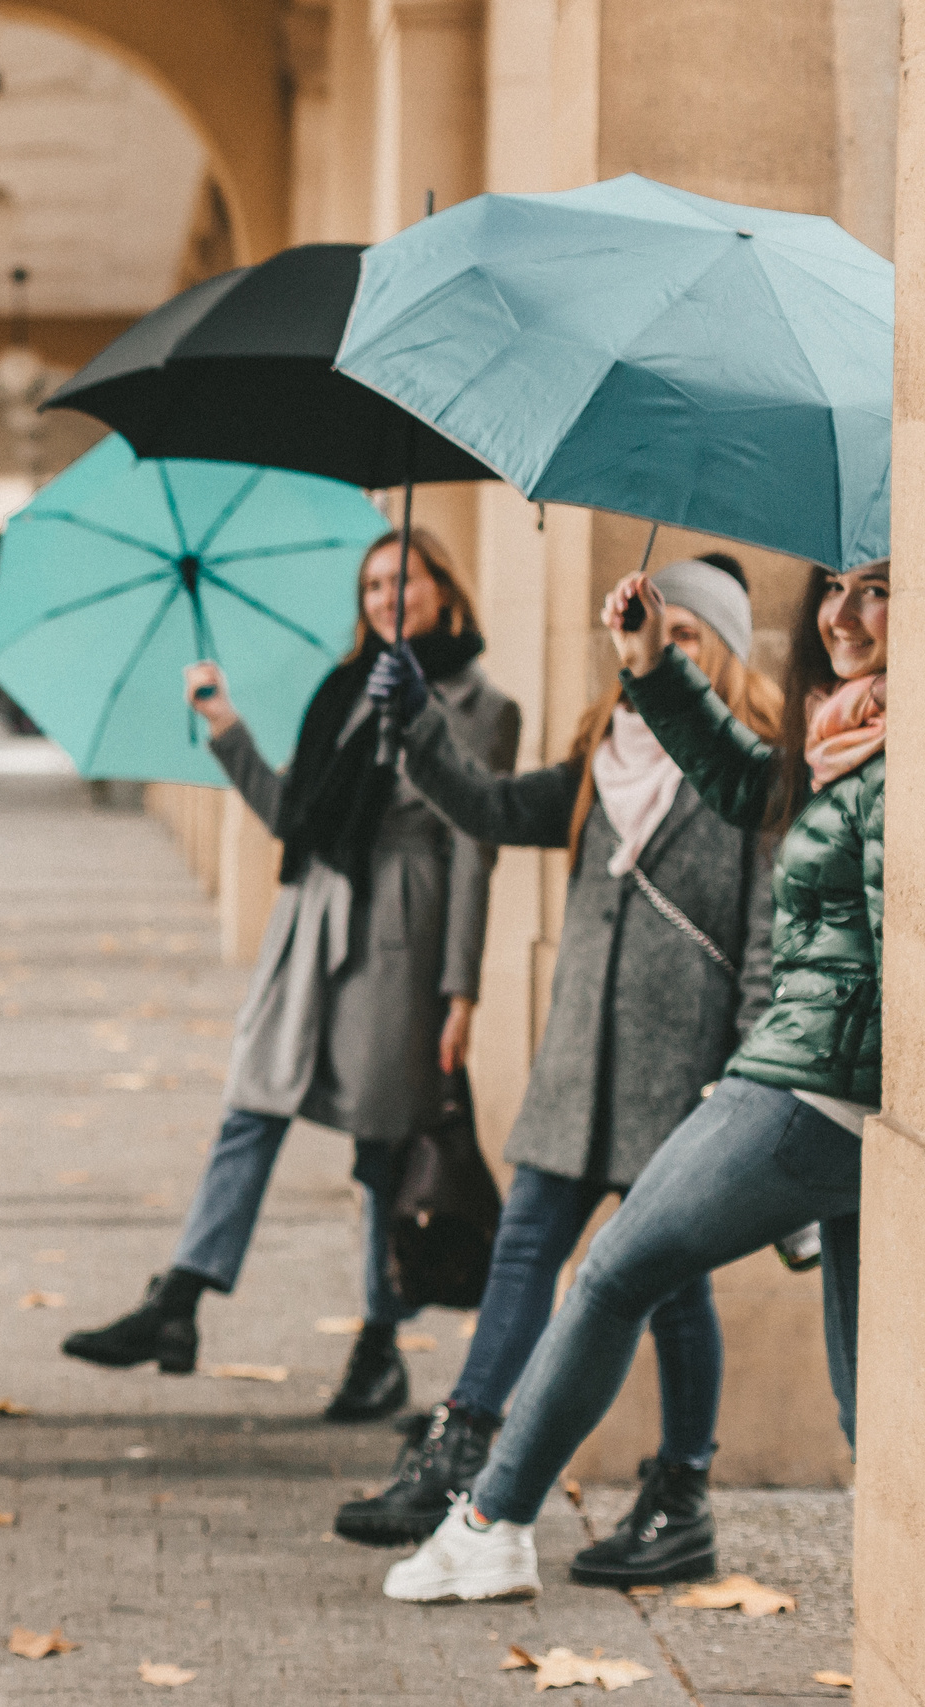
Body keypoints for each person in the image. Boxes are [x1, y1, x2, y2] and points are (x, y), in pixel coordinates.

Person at [385, 556, 882, 1604]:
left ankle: (498, 1516)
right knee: (867, 1403)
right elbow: (754, 785)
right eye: (834, 588)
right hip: (781, 1087)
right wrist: (647, 665)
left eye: (879, 589)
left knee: (617, 1274)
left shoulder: (893, 761)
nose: (842, 612)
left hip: (803, 1088)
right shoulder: (845, 739)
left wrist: (745, 1070)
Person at [333, 556, 777, 1581]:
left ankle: (681, 1494)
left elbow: (759, 939)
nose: (668, 658)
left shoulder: (748, 767)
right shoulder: (598, 753)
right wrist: (417, 729)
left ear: (722, 651)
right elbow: (485, 810)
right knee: (524, 1250)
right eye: (656, 639)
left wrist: (741, 1070)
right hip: (577, 1064)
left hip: (682, 1077)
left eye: (688, 640)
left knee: (671, 1286)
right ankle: (460, 1454)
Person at [59, 529, 521, 1422]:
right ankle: (180, 1300)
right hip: (308, 922)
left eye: (406, 579)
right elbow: (296, 818)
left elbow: (475, 851)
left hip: (399, 933)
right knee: (250, 1104)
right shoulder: (346, 688)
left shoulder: (479, 700)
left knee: (383, 1151)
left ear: (443, 588)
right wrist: (225, 727)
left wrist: (460, 990)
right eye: (375, 582)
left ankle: (379, 1347)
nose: (389, 594)